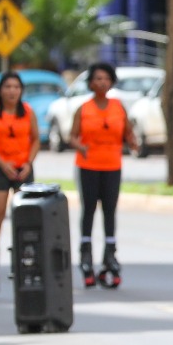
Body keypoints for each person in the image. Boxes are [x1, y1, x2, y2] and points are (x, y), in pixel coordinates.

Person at [69, 62, 139, 289]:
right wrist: (80, 147)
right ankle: (86, 254)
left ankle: (110, 253)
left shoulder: (118, 107)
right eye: (98, 78)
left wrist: (133, 142)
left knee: (110, 209)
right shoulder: (84, 108)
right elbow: (72, 136)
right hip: (88, 165)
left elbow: (128, 131)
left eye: (106, 78)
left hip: (112, 166)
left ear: (111, 82)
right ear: (90, 83)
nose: (102, 82)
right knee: (89, 209)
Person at [0, 71, 40, 294]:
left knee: (25, 216)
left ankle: (24, 257)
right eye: (8, 87)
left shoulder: (28, 112)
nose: (12, 91)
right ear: (0, 90)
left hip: (23, 168)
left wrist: (28, 164)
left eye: (16, 87)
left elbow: (36, 140)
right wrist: (2, 163)